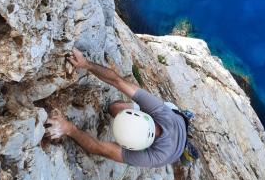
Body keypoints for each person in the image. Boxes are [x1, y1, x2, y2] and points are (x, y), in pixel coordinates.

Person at [45, 48, 187, 168]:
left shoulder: (155, 157)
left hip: (175, 148)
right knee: (114, 108)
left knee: (115, 112)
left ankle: (186, 149)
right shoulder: (160, 110)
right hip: (175, 115)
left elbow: (99, 149)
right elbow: (117, 81)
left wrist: (69, 129)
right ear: (144, 115)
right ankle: (186, 119)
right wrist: (86, 64)